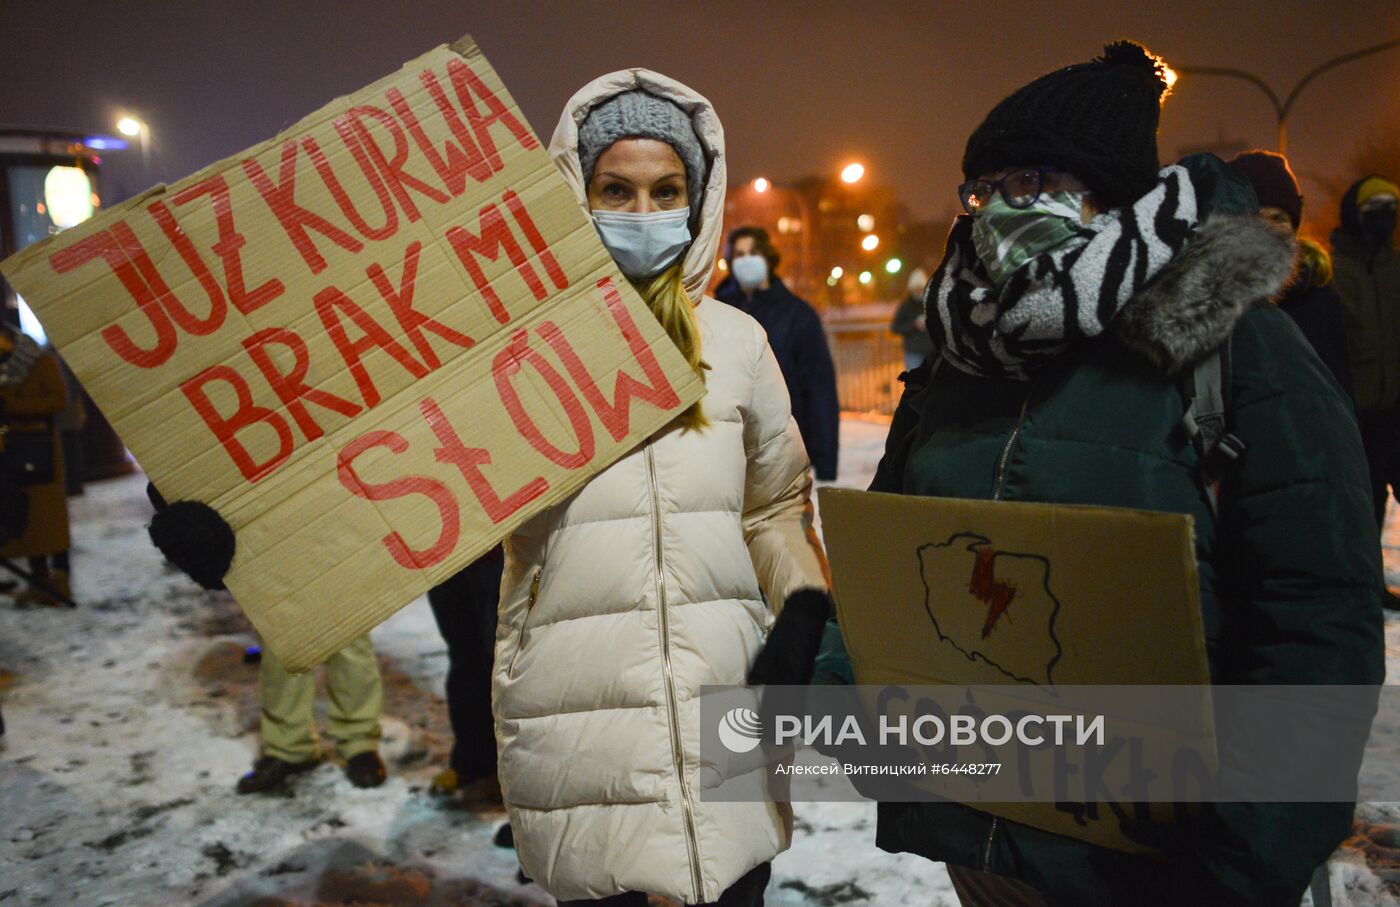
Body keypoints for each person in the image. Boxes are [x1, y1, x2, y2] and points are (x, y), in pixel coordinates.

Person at [816, 41, 1383, 906]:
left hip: (1177, 867)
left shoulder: (1238, 349)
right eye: (984, 187)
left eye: (1034, 180)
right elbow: (897, 570)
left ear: (1112, 196)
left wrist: (1242, 862)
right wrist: (828, 682)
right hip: (992, 850)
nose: (1002, 208)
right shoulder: (958, 366)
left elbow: (1314, 628)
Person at [491, 71, 833, 905]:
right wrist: (247, 527)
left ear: (697, 197)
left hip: (729, 705)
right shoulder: (515, 355)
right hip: (581, 720)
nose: (643, 213)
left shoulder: (739, 343)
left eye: (666, 190)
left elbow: (775, 504)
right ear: (578, 193)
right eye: (616, 188)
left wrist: (804, 606)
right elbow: (383, 489)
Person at [146, 488, 388, 794]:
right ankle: (290, 747)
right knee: (281, 641)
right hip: (260, 521)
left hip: (322, 511)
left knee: (350, 635)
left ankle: (359, 742)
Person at [715, 226, 840, 480]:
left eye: (754, 252)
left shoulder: (799, 315)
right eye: (739, 254)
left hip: (782, 450)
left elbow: (819, 389)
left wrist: (826, 463)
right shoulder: (716, 312)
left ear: (769, 259)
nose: (746, 260)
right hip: (726, 451)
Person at [1331, 174, 1400, 529]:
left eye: (1392, 209)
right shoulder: (1335, 272)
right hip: (1351, 411)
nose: (1386, 216)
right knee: (1361, 494)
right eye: (1375, 209)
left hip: (1393, 410)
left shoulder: (1396, 269)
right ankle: (1366, 576)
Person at [0, 321, 72, 606]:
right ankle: (39, 579)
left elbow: (58, 400)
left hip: (40, 450)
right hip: (12, 451)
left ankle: (61, 579)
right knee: (27, 520)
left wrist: (12, 407)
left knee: (51, 520)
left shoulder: (41, 362)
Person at [889, 267, 933, 371]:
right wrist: (914, 325)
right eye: (916, 288)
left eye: (920, 288)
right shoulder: (906, 306)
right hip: (913, 353)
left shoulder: (932, 303)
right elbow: (895, 327)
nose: (918, 291)